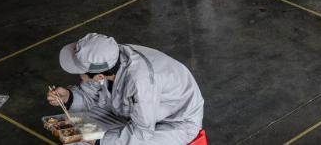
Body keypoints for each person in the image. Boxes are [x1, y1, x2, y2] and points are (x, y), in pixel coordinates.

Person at [47, 33, 204, 144]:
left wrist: (100, 142)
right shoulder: (108, 59)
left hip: (172, 123)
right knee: (75, 134)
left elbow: (142, 133)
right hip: (130, 113)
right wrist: (68, 97)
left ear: (100, 76)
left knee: (92, 140)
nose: (79, 75)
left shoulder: (140, 81)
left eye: (80, 72)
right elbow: (91, 96)